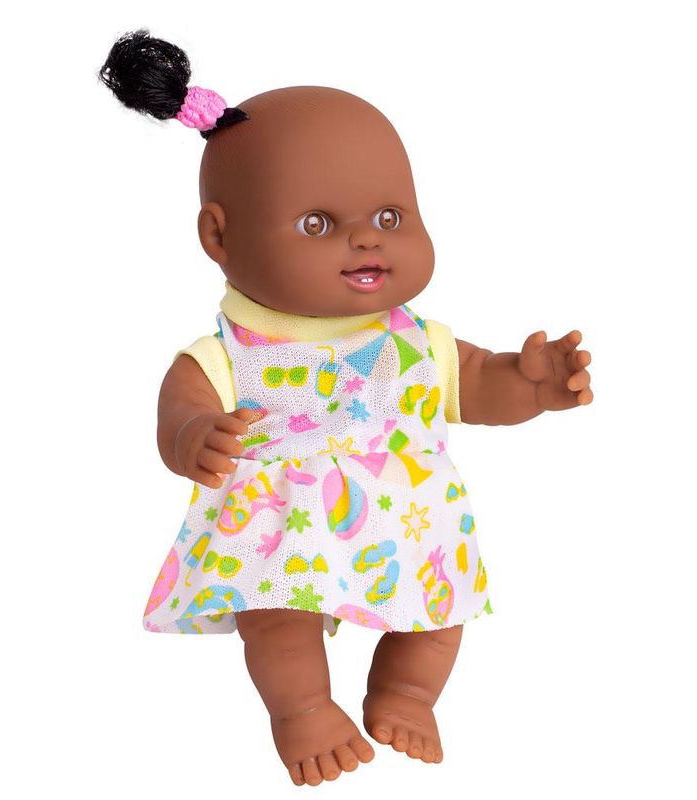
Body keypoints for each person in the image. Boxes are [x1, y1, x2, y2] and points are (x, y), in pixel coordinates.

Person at [99, 28, 594, 787]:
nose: (366, 240)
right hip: (283, 529)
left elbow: (475, 387)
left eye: (390, 218)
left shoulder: (420, 340)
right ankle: (302, 710)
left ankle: (408, 693)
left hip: (413, 521)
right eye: (318, 224)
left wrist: (530, 386)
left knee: (440, 618)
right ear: (219, 236)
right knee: (278, 621)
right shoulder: (230, 353)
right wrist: (195, 433)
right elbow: (181, 408)